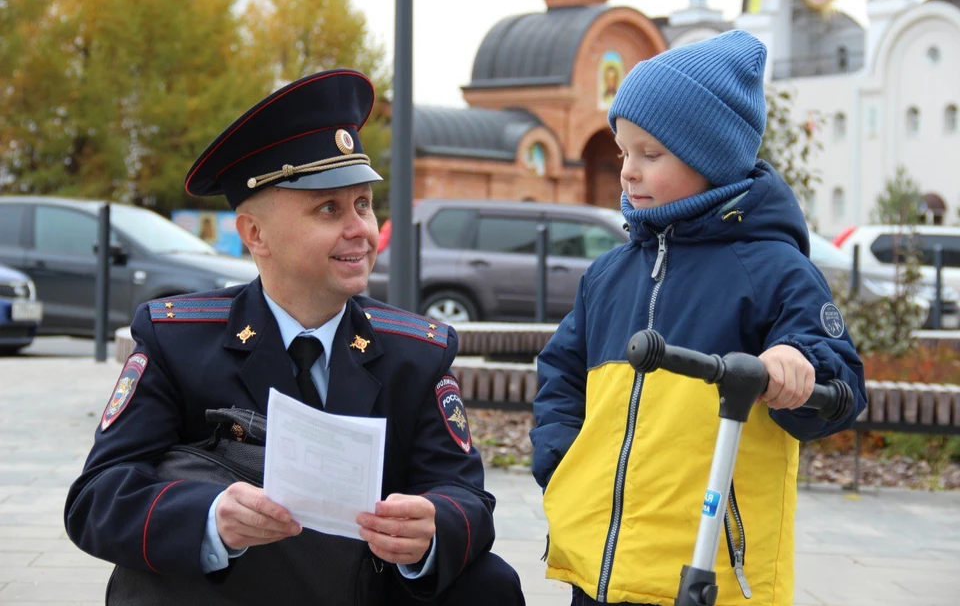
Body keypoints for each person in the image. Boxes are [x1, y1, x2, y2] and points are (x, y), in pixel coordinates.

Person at [64, 69, 524, 605]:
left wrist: (432, 526)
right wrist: (212, 519)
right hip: (238, 590)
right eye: (328, 208)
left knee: (489, 584)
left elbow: (465, 495)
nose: (361, 230)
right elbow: (96, 498)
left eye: (363, 204)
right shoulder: (177, 340)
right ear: (255, 235)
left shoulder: (416, 352)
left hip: (362, 587)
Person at [529, 30, 867, 606]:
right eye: (624, 153)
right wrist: (562, 459)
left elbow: (842, 380)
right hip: (602, 571)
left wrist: (795, 363)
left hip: (711, 573)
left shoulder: (772, 268)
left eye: (650, 154)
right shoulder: (609, 275)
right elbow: (562, 371)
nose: (629, 172)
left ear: (711, 157)